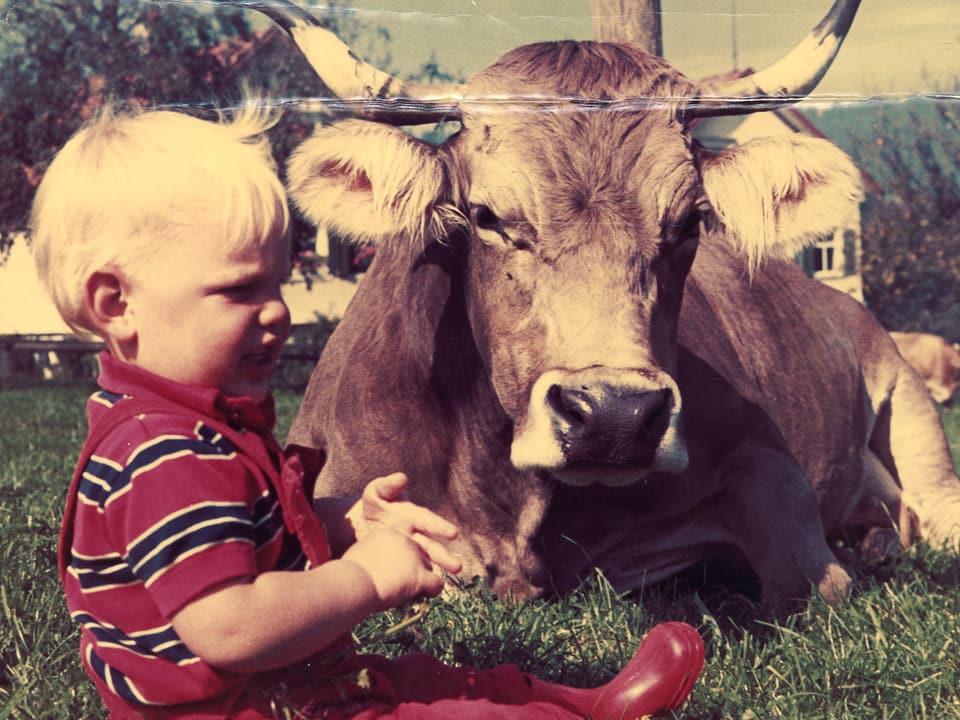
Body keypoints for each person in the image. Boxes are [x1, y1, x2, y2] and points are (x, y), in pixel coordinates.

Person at [30, 101, 705, 719]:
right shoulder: (165, 454)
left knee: (434, 678)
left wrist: (342, 522)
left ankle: (585, 703)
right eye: (238, 291)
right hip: (259, 707)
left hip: (287, 689)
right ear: (116, 304)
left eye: (278, 283)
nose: (278, 312)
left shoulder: (189, 429)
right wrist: (362, 579)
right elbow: (229, 625)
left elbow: (235, 543)